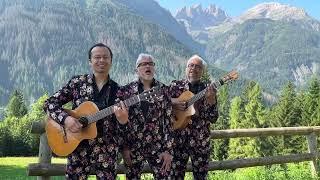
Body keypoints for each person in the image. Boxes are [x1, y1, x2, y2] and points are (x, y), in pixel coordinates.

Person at [43, 43, 128, 179]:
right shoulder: (77, 83)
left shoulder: (120, 91)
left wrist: (123, 121)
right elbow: (49, 103)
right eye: (97, 57)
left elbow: (124, 127)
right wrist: (67, 119)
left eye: (105, 57)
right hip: (77, 147)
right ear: (90, 61)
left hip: (107, 150)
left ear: (111, 61)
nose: (101, 60)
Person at [116, 53, 174, 179]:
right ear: (136, 69)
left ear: (154, 67)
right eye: (143, 64)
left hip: (158, 147)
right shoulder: (125, 91)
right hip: (133, 147)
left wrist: (168, 151)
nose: (147, 66)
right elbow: (120, 122)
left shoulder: (164, 90)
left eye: (150, 64)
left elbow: (168, 122)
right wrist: (124, 148)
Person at [169, 55, 219, 179]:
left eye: (198, 66)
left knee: (201, 177)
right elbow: (162, 104)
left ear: (202, 71)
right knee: (175, 177)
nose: (193, 68)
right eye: (191, 65)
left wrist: (211, 100)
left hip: (200, 144)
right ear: (186, 68)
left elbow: (213, 118)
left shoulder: (208, 89)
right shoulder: (175, 86)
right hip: (178, 142)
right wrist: (174, 101)